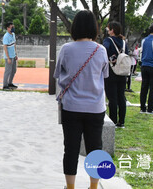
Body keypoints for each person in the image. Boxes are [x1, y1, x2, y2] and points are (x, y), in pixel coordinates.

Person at [54, 10, 109, 189]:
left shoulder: (66, 49)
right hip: (95, 107)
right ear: (94, 28)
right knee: (95, 148)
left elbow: (57, 74)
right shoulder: (101, 50)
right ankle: (93, 187)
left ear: (74, 28)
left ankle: (70, 187)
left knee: (70, 148)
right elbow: (104, 75)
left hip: (71, 106)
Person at [103, 21, 128, 129]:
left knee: (112, 97)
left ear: (112, 30)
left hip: (111, 71)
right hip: (122, 72)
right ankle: (121, 121)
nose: (107, 30)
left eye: (108, 28)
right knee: (121, 96)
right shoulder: (123, 42)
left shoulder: (108, 40)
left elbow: (103, 51)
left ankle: (112, 120)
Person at [2, 22, 18, 90]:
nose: (13, 28)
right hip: (8, 56)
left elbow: (14, 44)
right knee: (8, 71)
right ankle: (5, 85)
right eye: (11, 27)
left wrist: (16, 54)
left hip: (13, 56)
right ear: (8, 28)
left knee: (13, 70)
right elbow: (5, 47)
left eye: (13, 27)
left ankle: (10, 83)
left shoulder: (13, 34)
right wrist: (8, 58)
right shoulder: (6, 36)